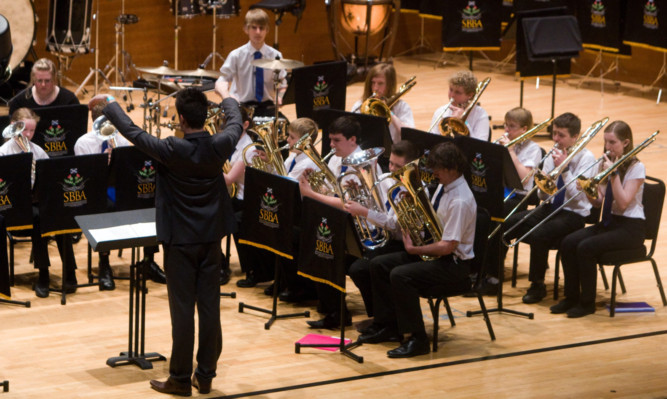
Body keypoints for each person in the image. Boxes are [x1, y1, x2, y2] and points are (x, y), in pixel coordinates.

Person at [102, 82, 243, 396]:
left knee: (182, 311)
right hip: (210, 240)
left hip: (179, 242)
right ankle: (205, 375)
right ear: (206, 116)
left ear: (180, 118)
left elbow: (133, 132)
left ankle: (180, 379)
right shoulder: (220, 144)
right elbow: (235, 121)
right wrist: (226, 92)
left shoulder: (171, 148)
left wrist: (111, 103)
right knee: (209, 309)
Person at [360, 142, 476, 358]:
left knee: (401, 275)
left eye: (438, 169)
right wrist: (414, 203)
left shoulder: (460, 200)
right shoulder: (445, 187)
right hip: (438, 255)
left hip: (453, 265)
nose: (434, 173)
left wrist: (414, 250)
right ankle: (388, 326)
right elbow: (433, 220)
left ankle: (418, 338)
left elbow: (448, 246)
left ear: (451, 169)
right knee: (378, 264)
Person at [306, 140, 421, 329]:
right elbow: (375, 206)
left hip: (400, 243)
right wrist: (358, 193)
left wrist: (364, 212)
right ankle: (336, 314)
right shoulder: (385, 179)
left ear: (411, 165)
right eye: (390, 163)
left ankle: (384, 319)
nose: (391, 169)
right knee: (330, 252)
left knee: (359, 268)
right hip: (382, 238)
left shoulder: (411, 187)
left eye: (398, 166)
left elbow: (393, 223)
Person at [554, 120, 646, 318]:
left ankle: (587, 304)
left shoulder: (637, 168)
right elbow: (598, 202)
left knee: (586, 248)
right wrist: (588, 190)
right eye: (605, 142)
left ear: (626, 143)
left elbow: (622, 203)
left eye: (612, 142)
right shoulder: (605, 163)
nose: (608, 147)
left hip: (631, 229)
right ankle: (571, 297)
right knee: (568, 242)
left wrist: (613, 174)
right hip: (610, 223)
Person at [502, 113, 596, 304]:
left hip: (573, 214)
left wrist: (565, 169)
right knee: (508, 224)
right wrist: (544, 188)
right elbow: (541, 196)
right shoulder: (553, 153)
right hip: (551, 208)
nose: (555, 139)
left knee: (539, 234)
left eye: (561, 135)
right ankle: (492, 276)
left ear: (575, 136)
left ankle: (537, 285)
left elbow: (578, 199)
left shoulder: (587, 159)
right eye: (554, 133)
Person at [74, 97, 166, 290]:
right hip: (99, 192)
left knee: (149, 201)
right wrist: (103, 163)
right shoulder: (83, 143)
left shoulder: (123, 140)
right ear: (95, 122)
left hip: (123, 189)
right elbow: (85, 180)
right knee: (105, 207)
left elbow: (133, 172)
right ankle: (104, 264)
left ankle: (148, 261)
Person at [0, 108, 77, 298]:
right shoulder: (3, 152)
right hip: (13, 207)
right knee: (38, 219)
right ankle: (43, 275)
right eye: (24, 130)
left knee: (58, 216)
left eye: (32, 131)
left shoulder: (38, 151)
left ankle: (70, 273)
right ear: (14, 127)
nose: (28, 135)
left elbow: (51, 180)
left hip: (36, 203)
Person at [481, 107, 543, 295]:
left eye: (512, 127)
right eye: (506, 125)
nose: (507, 131)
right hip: (499, 192)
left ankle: (494, 277)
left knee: (497, 225)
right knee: (478, 217)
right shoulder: (503, 142)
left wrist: (510, 152)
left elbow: (524, 180)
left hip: (519, 197)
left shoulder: (534, 150)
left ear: (524, 129)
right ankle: (476, 271)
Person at [217, 9, 286, 117]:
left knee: (286, 130)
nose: (258, 32)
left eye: (261, 28)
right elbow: (221, 81)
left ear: (267, 30)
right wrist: (228, 98)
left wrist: (280, 96)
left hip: (266, 106)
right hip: (241, 107)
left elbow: (283, 83)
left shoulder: (275, 55)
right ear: (246, 29)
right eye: (254, 27)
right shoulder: (236, 55)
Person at [351, 63, 415, 143]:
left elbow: (410, 137)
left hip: (394, 151)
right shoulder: (360, 105)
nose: (375, 88)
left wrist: (390, 113)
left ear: (389, 85)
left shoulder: (402, 106)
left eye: (380, 83)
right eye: (373, 83)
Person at [428, 70, 489, 141]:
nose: (452, 95)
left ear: (470, 95)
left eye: (458, 92)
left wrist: (464, 123)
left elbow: (481, 146)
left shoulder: (480, 115)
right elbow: (432, 140)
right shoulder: (440, 111)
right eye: (451, 90)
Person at [8, 58, 79, 114]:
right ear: (33, 80)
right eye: (39, 80)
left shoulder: (70, 101)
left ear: (54, 79)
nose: (43, 85)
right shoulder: (19, 102)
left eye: (47, 81)